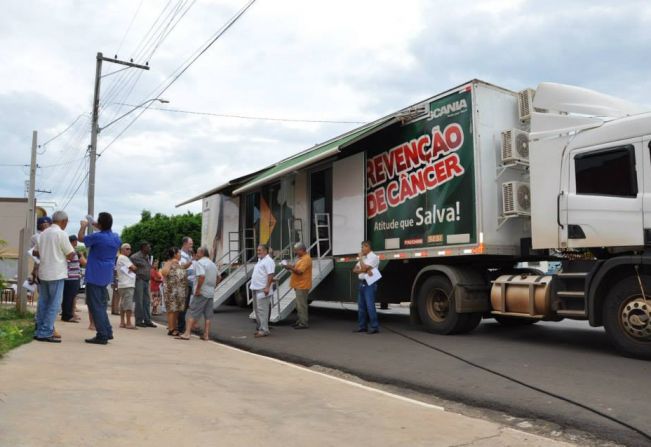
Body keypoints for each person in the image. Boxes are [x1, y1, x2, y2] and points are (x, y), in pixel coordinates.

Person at [78, 212, 121, 345]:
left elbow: (80, 238)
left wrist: (84, 226)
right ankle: (107, 331)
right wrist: (100, 226)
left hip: (94, 273)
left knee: (95, 305)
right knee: (101, 305)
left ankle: (102, 334)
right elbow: (107, 233)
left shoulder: (97, 237)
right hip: (106, 274)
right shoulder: (116, 237)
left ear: (100, 224)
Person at [33, 211, 75, 342]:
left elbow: (35, 251)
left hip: (44, 272)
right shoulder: (61, 234)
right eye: (66, 223)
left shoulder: (43, 233)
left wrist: (47, 254)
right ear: (63, 221)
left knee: (43, 303)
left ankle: (39, 329)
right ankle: (46, 332)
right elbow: (70, 254)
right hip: (56, 273)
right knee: (54, 304)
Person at [177, 247, 218, 341]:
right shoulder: (212, 264)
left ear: (202, 253)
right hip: (210, 292)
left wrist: (198, 289)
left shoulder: (200, 263)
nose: (196, 254)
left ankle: (187, 333)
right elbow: (219, 277)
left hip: (202, 292)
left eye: (198, 252)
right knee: (208, 315)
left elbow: (202, 276)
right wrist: (213, 286)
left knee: (192, 312)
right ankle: (206, 335)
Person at [352, 241, 380, 334]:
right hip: (362, 283)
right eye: (361, 247)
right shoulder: (364, 257)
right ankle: (362, 326)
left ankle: (374, 327)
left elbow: (362, 268)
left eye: (363, 247)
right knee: (361, 306)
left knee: (370, 306)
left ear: (368, 247)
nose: (361, 249)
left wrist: (360, 260)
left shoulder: (374, 257)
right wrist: (364, 270)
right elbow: (354, 270)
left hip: (370, 284)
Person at [283, 242, 312, 329]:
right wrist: (289, 266)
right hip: (299, 285)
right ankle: (300, 321)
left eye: (296, 250)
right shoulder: (301, 258)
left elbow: (299, 271)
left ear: (302, 250)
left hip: (302, 285)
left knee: (301, 305)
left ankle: (303, 323)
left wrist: (290, 267)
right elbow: (296, 269)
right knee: (298, 305)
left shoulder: (306, 259)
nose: (295, 252)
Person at [249, 244, 275, 338]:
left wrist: (267, 287)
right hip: (256, 288)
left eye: (260, 250)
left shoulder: (268, 261)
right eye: (257, 250)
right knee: (258, 310)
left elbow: (270, 274)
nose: (258, 252)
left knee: (262, 310)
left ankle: (264, 330)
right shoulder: (261, 260)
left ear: (265, 251)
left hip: (263, 289)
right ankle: (261, 328)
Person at [161, 247, 187, 336]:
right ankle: (171, 329)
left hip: (179, 291)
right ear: (175, 254)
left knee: (177, 310)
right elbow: (164, 273)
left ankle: (174, 327)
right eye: (179, 253)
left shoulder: (178, 264)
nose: (180, 254)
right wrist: (171, 264)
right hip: (171, 290)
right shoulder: (169, 262)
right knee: (172, 310)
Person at [61, 235, 86, 323]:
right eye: (75, 241)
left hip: (73, 277)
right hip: (71, 277)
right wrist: (81, 255)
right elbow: (84, 262)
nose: (76, 243)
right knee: (69, 297)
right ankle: (67, 316)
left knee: (71, 297)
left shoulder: (72, 251)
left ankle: (70, 314)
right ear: (73, 242)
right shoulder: (70, 251)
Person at [131, 242, 156, 328]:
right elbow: (131, 268)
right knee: (139, 301)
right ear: (143, 248)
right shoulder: (135, 257)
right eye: (148, 247)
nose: (150, 249)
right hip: (139, 280)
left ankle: (147, 320)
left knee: (147, 301)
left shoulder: (147, 257)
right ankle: (138, 320)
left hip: (146, 280)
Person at [116, 243, 138, 329]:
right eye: (127, 249)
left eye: (130, 249)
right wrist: (133, 268)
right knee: (128, 304)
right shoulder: (124, 258)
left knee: (122, 304)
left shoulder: (120, 258)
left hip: (122, 284)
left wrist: (131, 268)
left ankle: (122, 322)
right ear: (122, 249)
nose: (129, 250)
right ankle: (128, 322)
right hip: (127, 284)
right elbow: (134, 268)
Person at [177, 236, 195, 333]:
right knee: (183, 306)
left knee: (185, 305)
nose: (192, 246)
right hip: (185, 283)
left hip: (190, 283)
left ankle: (181, 326)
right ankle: (180, 327)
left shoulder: (189, 255)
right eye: (190, 244)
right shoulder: (181, 255)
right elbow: (182, 268)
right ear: (185, 244)